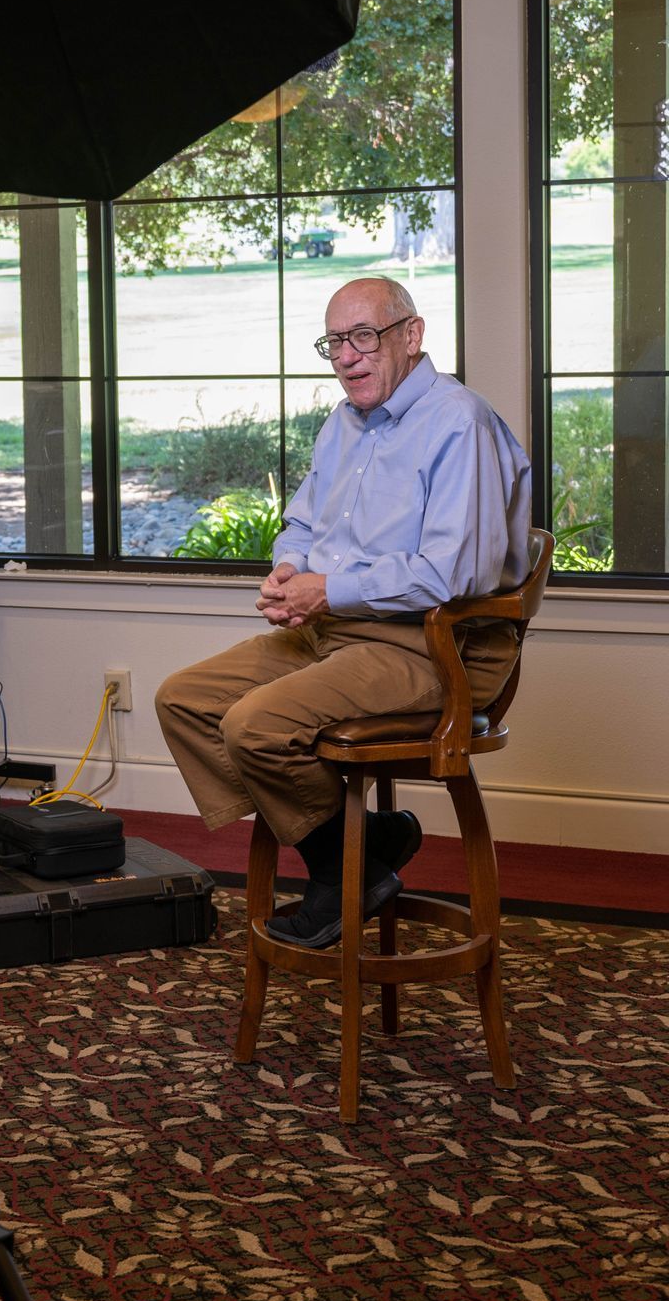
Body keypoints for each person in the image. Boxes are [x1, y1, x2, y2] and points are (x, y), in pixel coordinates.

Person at [155, 275, 530, 948]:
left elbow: (447, 575)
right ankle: (351, 852)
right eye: (334, 343)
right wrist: (292, 568)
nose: (348, 357)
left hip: (431, 648)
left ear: (411, 336)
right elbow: (302, 522)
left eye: (364, 337)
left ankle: (344, 869)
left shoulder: (458, 423)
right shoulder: (343, 422)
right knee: (182, 700)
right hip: (336, 633)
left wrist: (328, 589)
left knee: (253, 725)